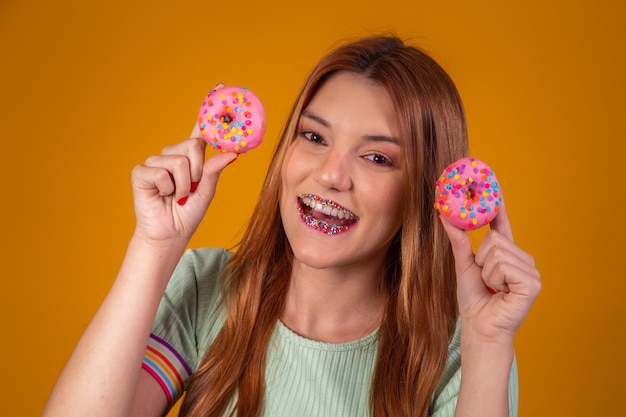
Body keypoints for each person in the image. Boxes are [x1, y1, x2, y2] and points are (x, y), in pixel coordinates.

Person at [42, 35, 540, 417]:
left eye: (375, 157)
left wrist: (488, 348)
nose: (330, 174)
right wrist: (153, 247)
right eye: (313, 136)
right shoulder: (207, 290)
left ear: (427, 187)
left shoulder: (464, 347)